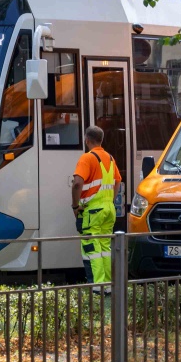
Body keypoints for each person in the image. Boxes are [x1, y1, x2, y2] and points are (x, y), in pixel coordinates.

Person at [71, 125, 122, 292]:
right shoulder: (110, 158)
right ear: (101, 140)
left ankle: (97, 286)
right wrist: (110, 200)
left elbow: (77, 183)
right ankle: (108, 286)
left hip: (92, 211)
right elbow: (117, 181)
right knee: (105, 247)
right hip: (109, 209)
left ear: (87, 140)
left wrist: (75, 205)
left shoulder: (87, 158)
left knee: (92, 248)